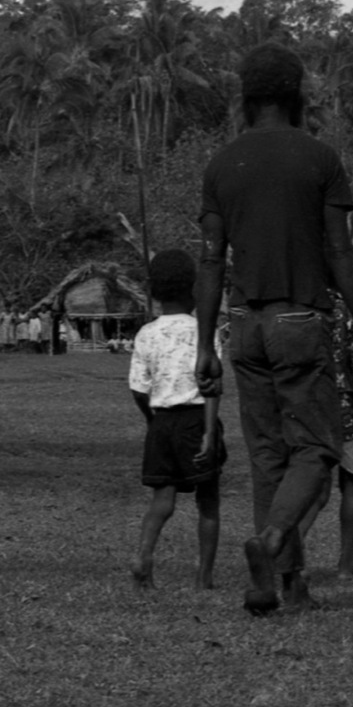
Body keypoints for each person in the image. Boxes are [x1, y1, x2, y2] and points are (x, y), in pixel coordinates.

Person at [196, 41, 353, 616]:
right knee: (317, 447)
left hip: (242, 324)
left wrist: (204, 344)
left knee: (267, 457)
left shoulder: (221, 165)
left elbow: (210, 260)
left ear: (246, 98)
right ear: (297, 95)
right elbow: (340, 251)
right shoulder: (319, 158)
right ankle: (272, 540)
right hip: (300, 318)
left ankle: (283, 586)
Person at [128, 248, 224, 590]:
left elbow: (138, 389)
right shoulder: (204, 332)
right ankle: (204, 577)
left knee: (162, 499)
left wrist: (151, 420)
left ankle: (143, 555)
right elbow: (211, 385)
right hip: (197, 419)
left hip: (161, 422)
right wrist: (210, 432)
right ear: (194, 289)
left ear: (154, 291)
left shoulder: (146, 333)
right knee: (208, 502)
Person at [300, 296, 353, 577]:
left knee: (313, 486)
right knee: (351, 483)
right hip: (346, 408)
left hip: (306, 407)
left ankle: (291, 552)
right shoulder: (346, 309)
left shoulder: (299, 305)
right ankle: (346, 565)